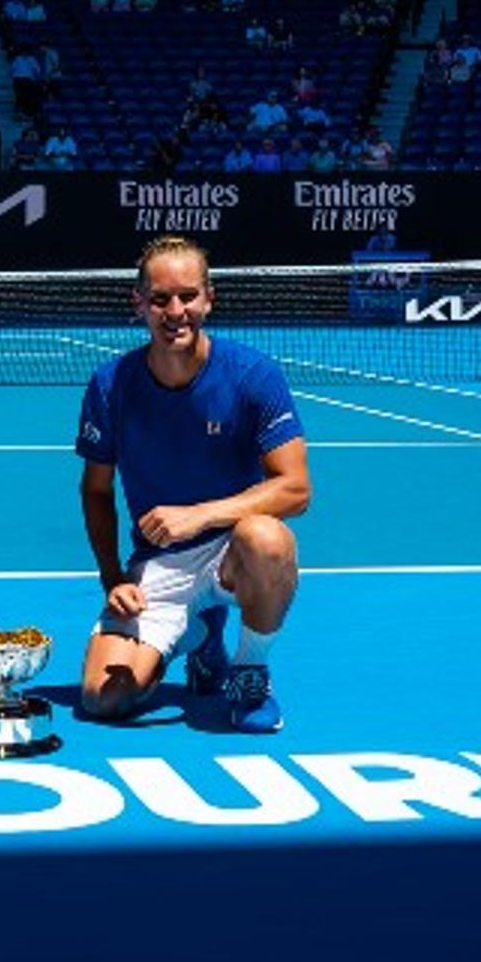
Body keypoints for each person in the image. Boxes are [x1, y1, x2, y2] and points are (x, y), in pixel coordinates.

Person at [74, 236, 310, 733]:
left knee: (267, 539)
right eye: (160, 299)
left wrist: (199, 515)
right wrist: (113, 576)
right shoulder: (109, 384)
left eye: (187, 296)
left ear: (209, 297)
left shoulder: (254, 376)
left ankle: (250, 669)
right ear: (138, 302)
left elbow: (295, 489)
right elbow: (96, 489)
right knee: (103, 698)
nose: (175, 311)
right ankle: (201, 637)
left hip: (233, 553)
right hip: (160, 563)